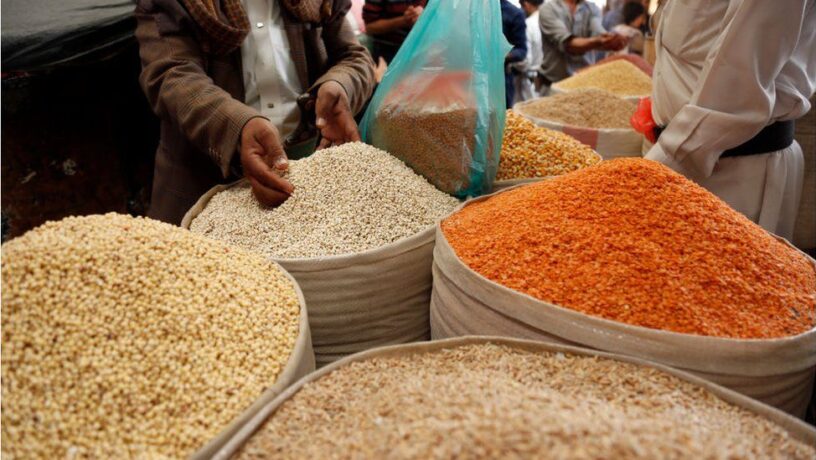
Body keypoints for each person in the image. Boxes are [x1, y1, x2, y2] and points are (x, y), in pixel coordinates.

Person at [134, 0, 376, 225]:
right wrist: (238, 126)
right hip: (205, 179)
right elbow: (172, 75)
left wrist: (339, 84)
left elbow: (353, 57)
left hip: (307, 173)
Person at [643, 0, 815, 241]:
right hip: (679, 156)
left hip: (732, 172)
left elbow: (738, 86)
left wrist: (645, 175)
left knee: (716, 271)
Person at [538, 0, 627, 87]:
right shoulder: (548, 9)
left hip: (584, 85)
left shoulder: (591, 8)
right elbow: (569, 44)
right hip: (553, 85)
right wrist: (599, 41)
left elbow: (598, 32)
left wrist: (611, 40)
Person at [512, 0, 545, 102]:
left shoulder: (528, 25)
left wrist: (510, 65)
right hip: (545, 81)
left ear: (526, 4)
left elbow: (525, 61)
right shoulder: (550, 21)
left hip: (530, 83)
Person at [501, 0, 528, 108]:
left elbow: (521, 50)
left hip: (501, 78)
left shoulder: (513, 13)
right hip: (471, 76)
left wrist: (502, 55)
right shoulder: (470, 10)